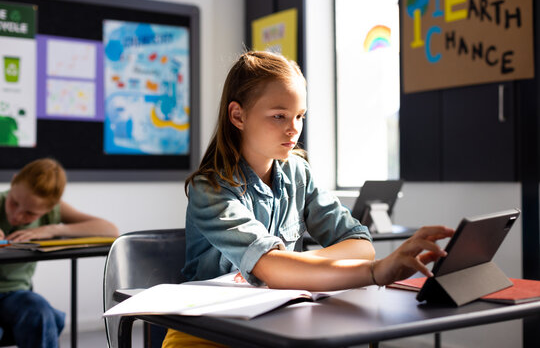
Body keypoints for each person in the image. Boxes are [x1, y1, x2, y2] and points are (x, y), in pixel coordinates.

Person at [162, 51, 454, 347]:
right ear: (238, 115)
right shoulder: (210, 188)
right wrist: (375, 273)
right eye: (279, 116)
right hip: (205, 331)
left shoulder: (297, 172)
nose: (294, 128)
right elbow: (270, 268)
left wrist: (292, 264)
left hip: (275, 323)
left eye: (300, 116)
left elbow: (361, 245)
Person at [0, 158, 119, 348]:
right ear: (13, 182)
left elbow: (110, 230)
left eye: (30, 214)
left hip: (16, 294)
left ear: (52, 207)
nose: (17, 216)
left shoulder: (52, 213)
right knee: (46, 320)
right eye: (14, 203)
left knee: (40, 312)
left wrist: (52, 229)